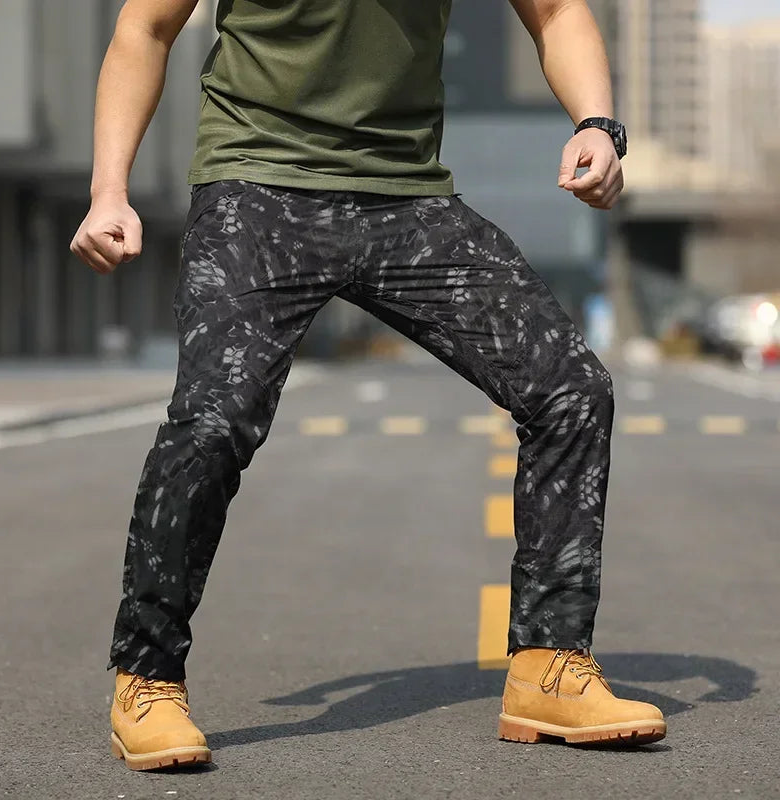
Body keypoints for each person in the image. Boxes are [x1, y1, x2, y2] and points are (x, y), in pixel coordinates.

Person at [71, 0, 665, 772]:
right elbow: (143, 28)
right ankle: (146, 680)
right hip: (258, 188)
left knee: (570, 388)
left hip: (407, 199)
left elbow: (556, 14)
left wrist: (597, 124)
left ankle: (549, 668)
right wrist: (109, 188)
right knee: (215, 418)